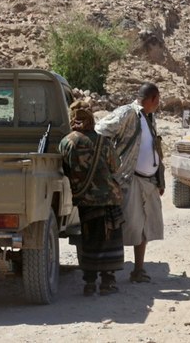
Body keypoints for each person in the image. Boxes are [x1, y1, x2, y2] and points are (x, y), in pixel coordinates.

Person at [95, 82, 165, 283]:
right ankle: (111, 272)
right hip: (129, 180)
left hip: (148, 181)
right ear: (152, 99)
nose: (158, 104)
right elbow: (101, 129)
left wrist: (159, 180)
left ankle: (138, 270)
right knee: (124, 225)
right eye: (158, 100)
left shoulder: (148, 117)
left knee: (143, 227)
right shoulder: (128, 113)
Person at [59, 100, 124, 296]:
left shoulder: (66, 142)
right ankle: (108, 281)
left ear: (73, 118)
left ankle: (89, 283)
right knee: (109, 240)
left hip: (86, 202)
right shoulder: (103, 141)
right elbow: (116, 167)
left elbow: (64, 169)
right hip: (109, 199)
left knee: (89, 241)